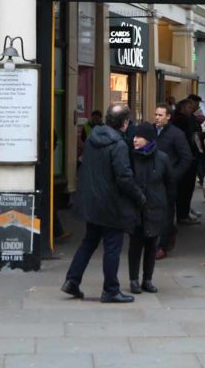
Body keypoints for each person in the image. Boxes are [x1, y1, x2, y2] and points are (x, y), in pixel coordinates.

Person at [62, 104, 146, 304]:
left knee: (89, 241)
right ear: (125, 123)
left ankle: (72, 280)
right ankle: (111, 289)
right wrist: (139, 196)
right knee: (112, 246)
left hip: (92, 201)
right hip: (111, 203)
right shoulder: (118, 145)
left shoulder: (93, 138)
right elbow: (124, 177)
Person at [127, 122, 176, 294]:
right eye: (134, 136)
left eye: (139, 137)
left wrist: (165, 204)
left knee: (151, 245)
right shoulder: (130, 157)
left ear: (148, 139)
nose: (135, 139)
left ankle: (147, 279)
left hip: (155, 208)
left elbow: (170, 183)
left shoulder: (162, 159)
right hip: (136, 208)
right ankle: (134, 280)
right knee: (135, 245)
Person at [153, 103, 192, 258]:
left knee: (166, 213)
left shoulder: (176, 134)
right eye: (156, 114)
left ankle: (162, 246)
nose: (157, 118)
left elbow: (186, 158)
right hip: (150, 180)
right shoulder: (150, 131)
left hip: (167, 181)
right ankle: (155, 241)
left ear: (168, 117)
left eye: (160, 115)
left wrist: (174, 176)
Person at [171, 99, 202, 225]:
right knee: (185, 189)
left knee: (184, 189)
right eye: (189, 107)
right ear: (182, 108)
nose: (192, 109)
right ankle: (183, 215)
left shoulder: (184, 119)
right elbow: (189, 139)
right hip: (186, 158)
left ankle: (183, 213)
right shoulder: (182, 121)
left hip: (185, 158)